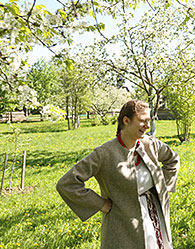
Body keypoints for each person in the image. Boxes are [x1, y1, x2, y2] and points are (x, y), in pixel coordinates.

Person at [56, 100, 180, 249]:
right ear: (126, 121)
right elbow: (67, 184)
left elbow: (173, 160)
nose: (147, 126)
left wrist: (161, 187)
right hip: (123, 225)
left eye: (149, 121)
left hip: (155, 216)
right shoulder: (104, 154)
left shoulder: (151, 144)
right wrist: (100, 204)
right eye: (142, 121)